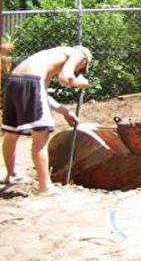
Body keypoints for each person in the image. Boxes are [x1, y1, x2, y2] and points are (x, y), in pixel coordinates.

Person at [2, 46, 91, 195]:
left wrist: (65, 112)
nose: (78, 70)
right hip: (31, 80)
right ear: (84, 61)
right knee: (41, 133)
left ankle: (11, 175)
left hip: (13, 81)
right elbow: (65, 78)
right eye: (81, 68)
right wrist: (79, 82)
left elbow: (40, 92)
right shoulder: (79, 53)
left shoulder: (48, 59)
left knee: (12, 133)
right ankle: (45, 187)